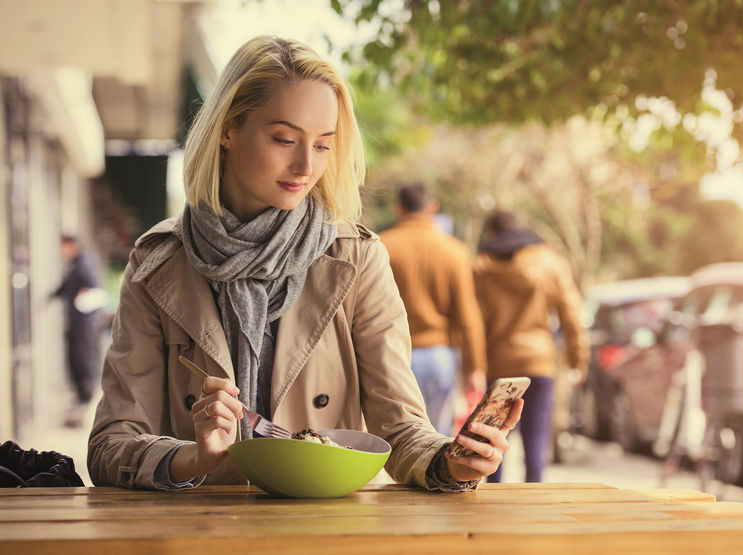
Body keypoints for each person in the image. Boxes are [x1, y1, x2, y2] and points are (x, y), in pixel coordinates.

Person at [88, 36, 521, 491]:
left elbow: (400, 428)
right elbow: (110, 446)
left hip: (326, 528)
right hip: (202, 530)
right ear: (228, 129)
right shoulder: (159, 263)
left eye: (323, 145)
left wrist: (450, 464)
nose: (304, 165)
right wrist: (189, 458)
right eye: (285, 139)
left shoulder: (355, 258)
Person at [472, 210, 588, 482]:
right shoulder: (548, 262)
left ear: (491, 234)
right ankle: (535, 513)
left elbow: (472, 322)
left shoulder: (481, 267)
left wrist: (473, 366)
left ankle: (491, 514)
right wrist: (577, 361)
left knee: (492, 445)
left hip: (499, 365)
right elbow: (571, 314)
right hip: (539, 363)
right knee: (536, 446)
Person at [378, 182, 487, 436]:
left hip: (394, 355)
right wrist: (475, 367)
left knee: (397, 435)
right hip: (440, 357)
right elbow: (468, 316)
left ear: (399, 209)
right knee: (436, 437)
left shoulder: (381, 247)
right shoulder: (455, 251)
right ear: (432, 208)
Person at [52, 234, 103, 427]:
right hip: (77, 323)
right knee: (75, 358)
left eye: (63, 247)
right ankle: (82, 396)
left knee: (82, 358)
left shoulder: (84, 262)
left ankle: (85, 397)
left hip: (84, 323)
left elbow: (89, 286)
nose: (61, 252)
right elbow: (64, 287)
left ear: (71, 245)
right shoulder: (76, 263)